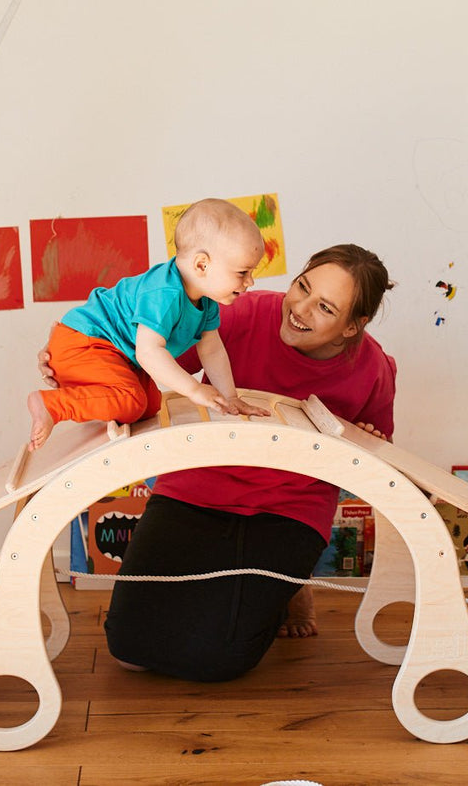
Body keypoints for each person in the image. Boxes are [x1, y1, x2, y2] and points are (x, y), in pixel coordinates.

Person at [45, 243, 397, 682]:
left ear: (352, 327)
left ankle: (293, 587)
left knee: (224, 659)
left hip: (290, 507)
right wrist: (82, 361)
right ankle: (268, 590)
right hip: (197, 487)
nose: (300, 310)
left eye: (325, 307)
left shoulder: (374, 367)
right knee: (129, 649)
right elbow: (148, 357)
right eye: (302, 287)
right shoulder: (244, 314)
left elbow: (374, 444)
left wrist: (371, 439)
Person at [25, 198, 271, 451]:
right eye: (243, 272)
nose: (250, 282)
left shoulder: (205, 302)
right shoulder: (164, 293)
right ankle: (52, 405)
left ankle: (105, 401)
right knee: (131, 400)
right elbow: (148, 351)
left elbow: (211, 350)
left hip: (114, 353)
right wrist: (194, 389)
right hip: (85, 343)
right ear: (201, 265)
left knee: (150, 405)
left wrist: (230, 397)